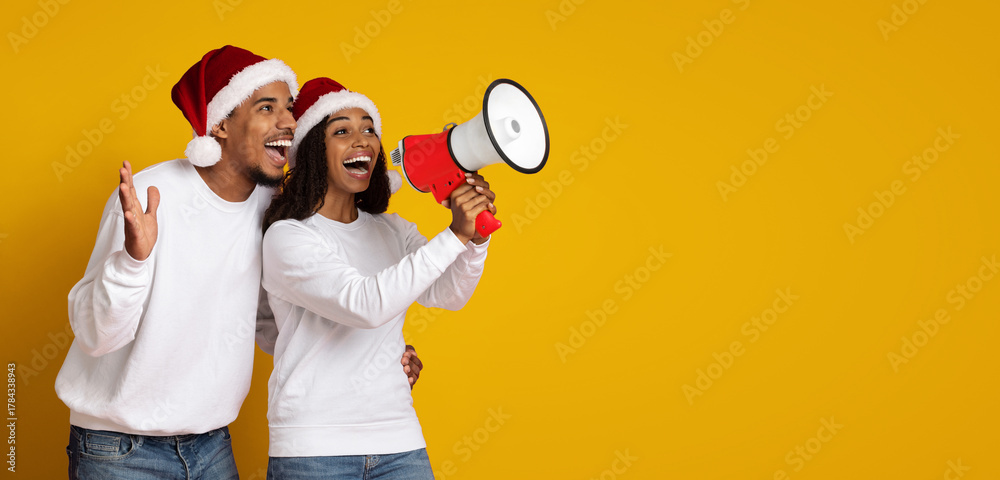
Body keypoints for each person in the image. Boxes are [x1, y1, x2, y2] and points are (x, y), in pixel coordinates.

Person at [55, 47, 421, 479]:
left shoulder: (276, 211)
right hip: (119, 449)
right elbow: (97, 335)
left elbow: (276, 323)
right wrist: (133, 261)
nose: (287, 121)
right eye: (267, 107)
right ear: (221, 124)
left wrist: (376, 359)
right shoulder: (151, 197)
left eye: (288, 107)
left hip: (212, 445)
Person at [260, 77, 495, 479]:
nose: (363, 140)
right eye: (342, 131)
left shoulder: (392, 229)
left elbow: (447, 292)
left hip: (399, 442)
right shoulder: (289, 237)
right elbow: (365, 305)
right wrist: (454, 234)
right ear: (314, 151)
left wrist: (475, 240)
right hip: (314, 449)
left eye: (369, 129)